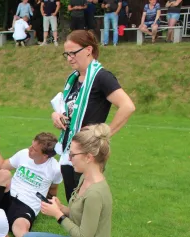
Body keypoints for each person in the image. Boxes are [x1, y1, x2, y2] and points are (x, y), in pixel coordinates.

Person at [22, 124, 112, 237]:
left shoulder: (96, 193)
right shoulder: (85, 178)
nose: (69, 159)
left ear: (89, 157)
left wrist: (58, 216)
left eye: (72, 155)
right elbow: (80, 213)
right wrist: (62, 208)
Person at [52, 30, 135, 201]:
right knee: (73, 203)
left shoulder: (102, 77)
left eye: (73, 53)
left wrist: (104, 134)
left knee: (85, 206)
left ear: (88, 49)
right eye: (66, 54)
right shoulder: (74, 79)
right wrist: (57, 115)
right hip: (69, 151)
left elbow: (127, 106)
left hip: (87, 155)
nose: (69, 58)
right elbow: (72, 110)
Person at [0, 126, 62, 237]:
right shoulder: (24, 154)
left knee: (21, 230)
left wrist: (52, 203)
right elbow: (2, 165)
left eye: (34, 149)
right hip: (7, 196)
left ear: (45, 156)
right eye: (31, 145)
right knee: (3, 174)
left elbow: (53, 189)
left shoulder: (55, 169)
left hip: (26, 205)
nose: (29, 149)